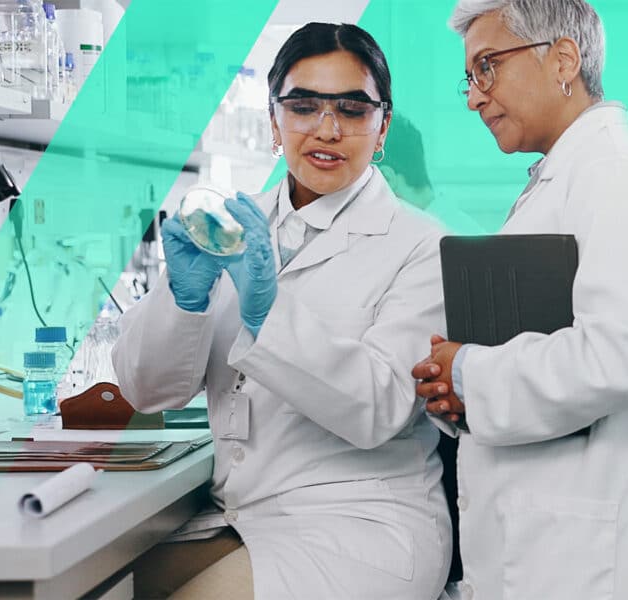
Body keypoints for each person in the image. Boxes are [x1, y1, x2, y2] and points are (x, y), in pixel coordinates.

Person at [113, 22, 451, 600]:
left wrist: (267, 315)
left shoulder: (420, 246)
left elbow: (379, 407)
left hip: (361, 525)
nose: (326, 129)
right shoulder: (232, 225)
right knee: (87, 586)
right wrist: (183, 299)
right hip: (239, 513)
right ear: (274, 119)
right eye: (303, 106)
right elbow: (146, 392)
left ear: (382, 124)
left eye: (351, 108)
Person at [412, 1, 628, 598]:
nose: (474, 96)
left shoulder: (614, 170)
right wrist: (457, 389)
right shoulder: (568, 173)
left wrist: (472, 374)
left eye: (487, 67)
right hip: (561, 542)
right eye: (469, 77)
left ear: (563, 59)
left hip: (602, 554)